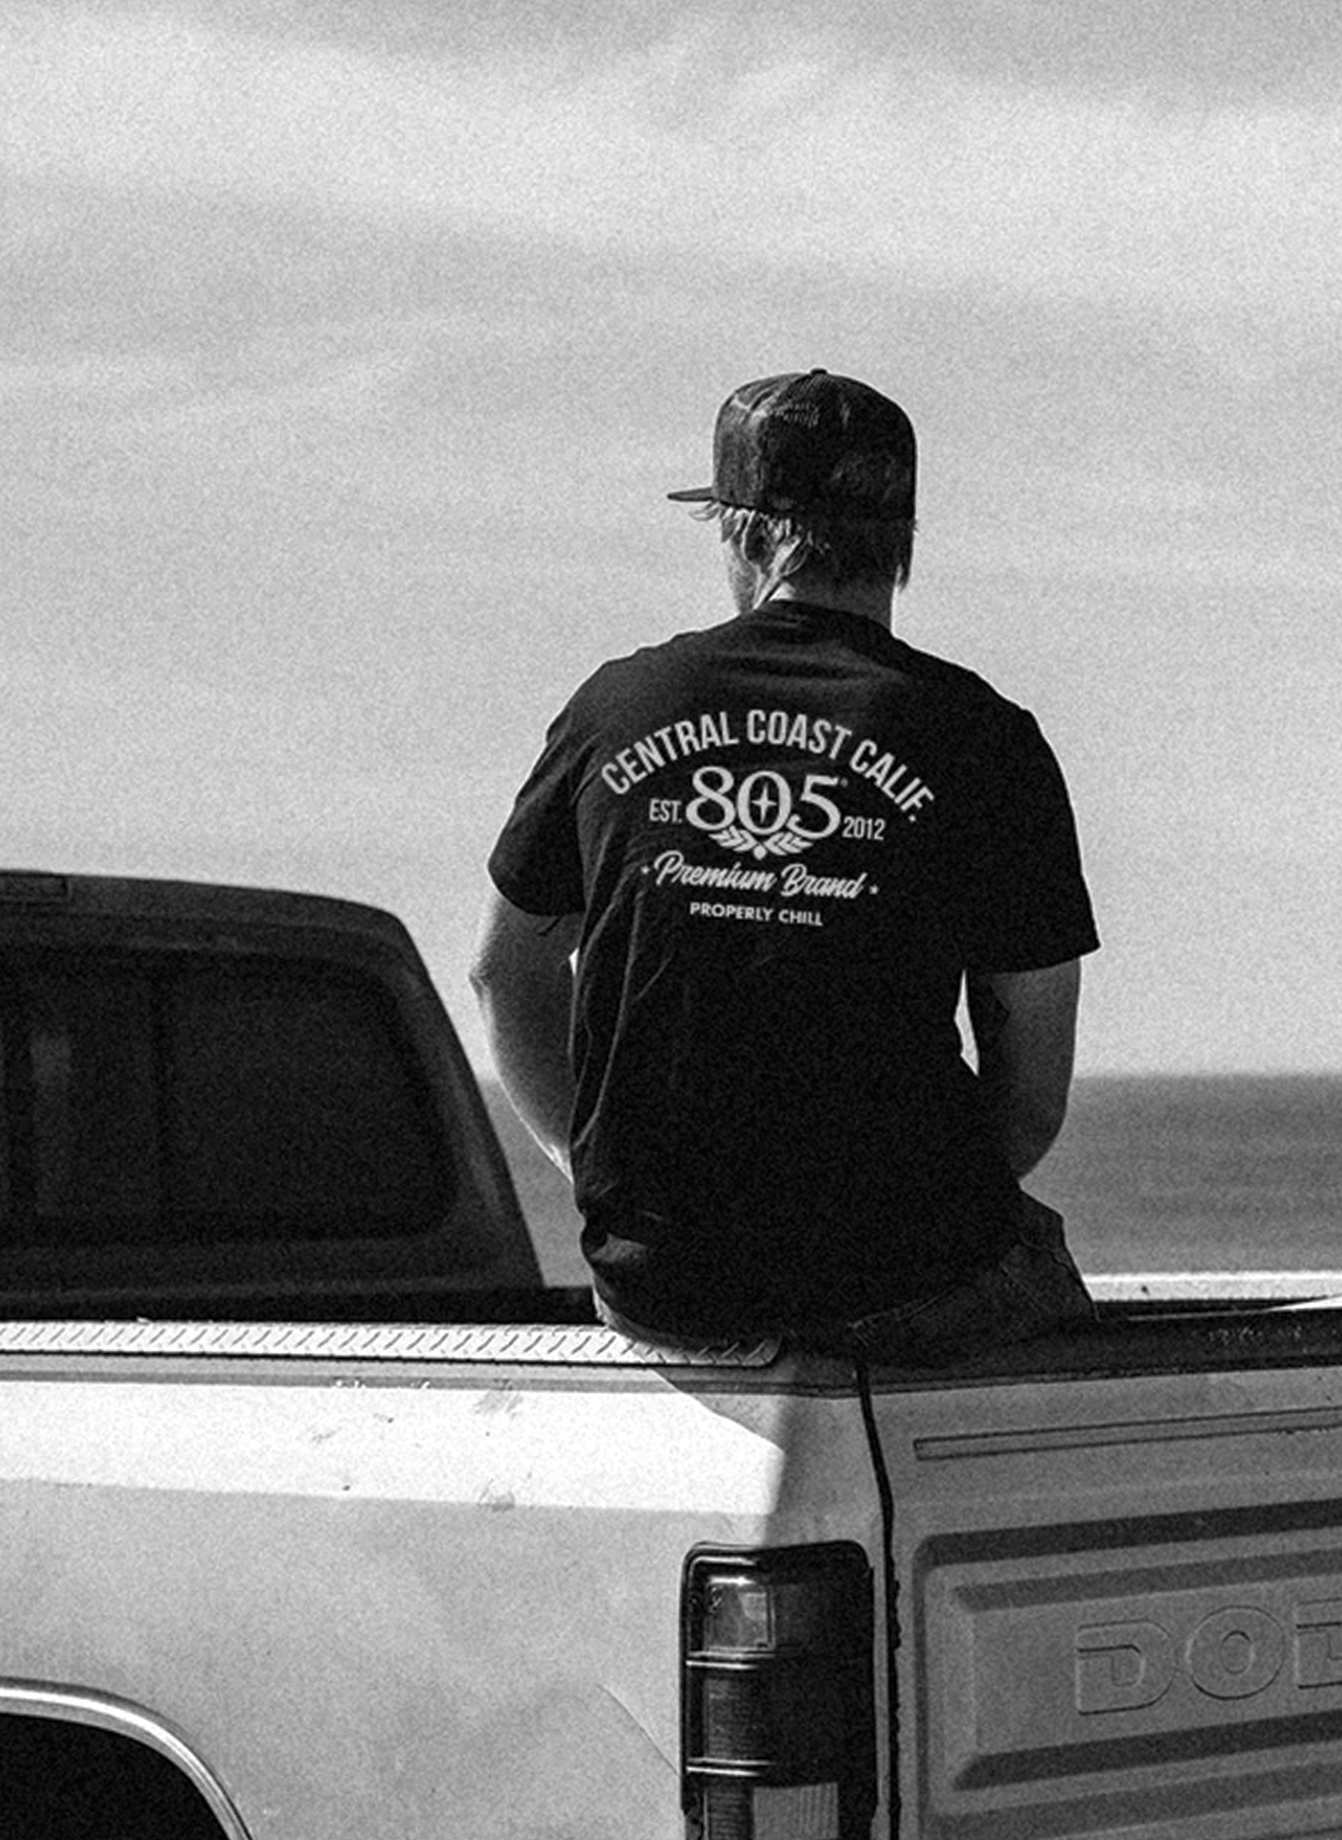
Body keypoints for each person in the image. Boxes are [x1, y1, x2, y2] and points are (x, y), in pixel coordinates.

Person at [471, 369, 1099, 1363]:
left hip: (662, 1288)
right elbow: (1029, 1099)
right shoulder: (983, 738)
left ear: (743, 533)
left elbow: (503, 973)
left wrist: (599, 1177)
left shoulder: (617, 709)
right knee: (1059, 1321)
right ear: (901, 544)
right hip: (906, 1281)